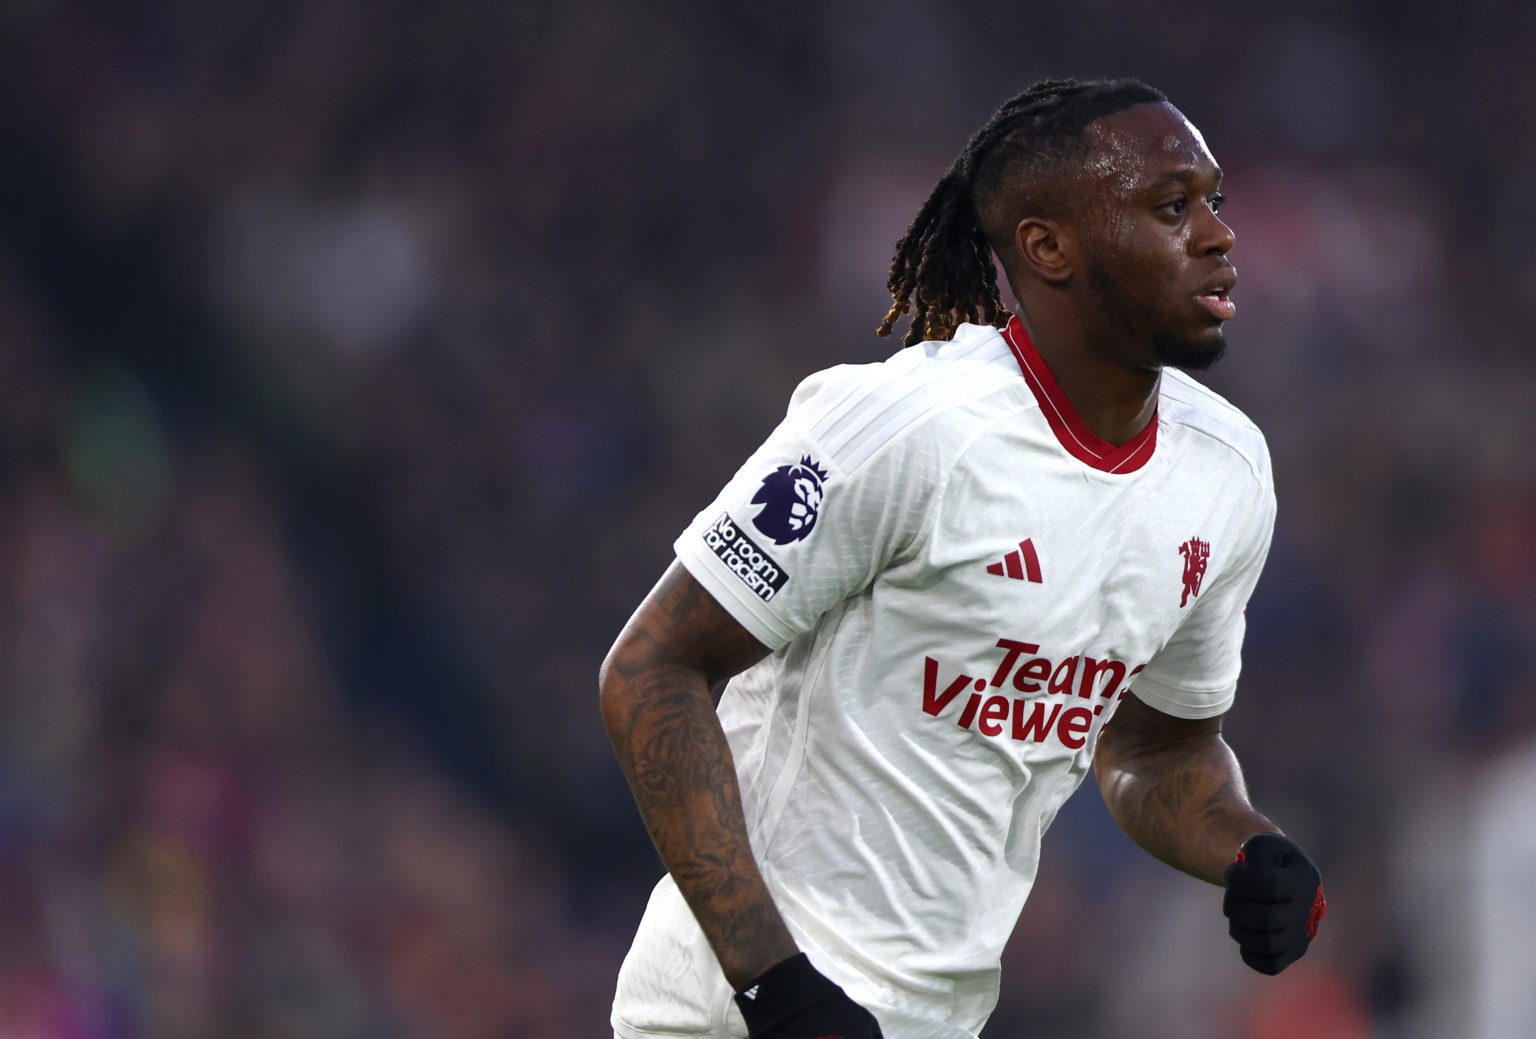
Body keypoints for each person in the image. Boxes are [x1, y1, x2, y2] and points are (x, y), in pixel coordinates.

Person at [600, 77, 1326, 1039]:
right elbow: (652, 667)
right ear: (1048, 246)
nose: (1219, 235)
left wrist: (1248, 846)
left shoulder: (1226, 473)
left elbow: (1157, 746)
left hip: (936, 1018)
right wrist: (773, 985)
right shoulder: (907, 429)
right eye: (1170, 206)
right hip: (736, 1011)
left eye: (1214, 202)